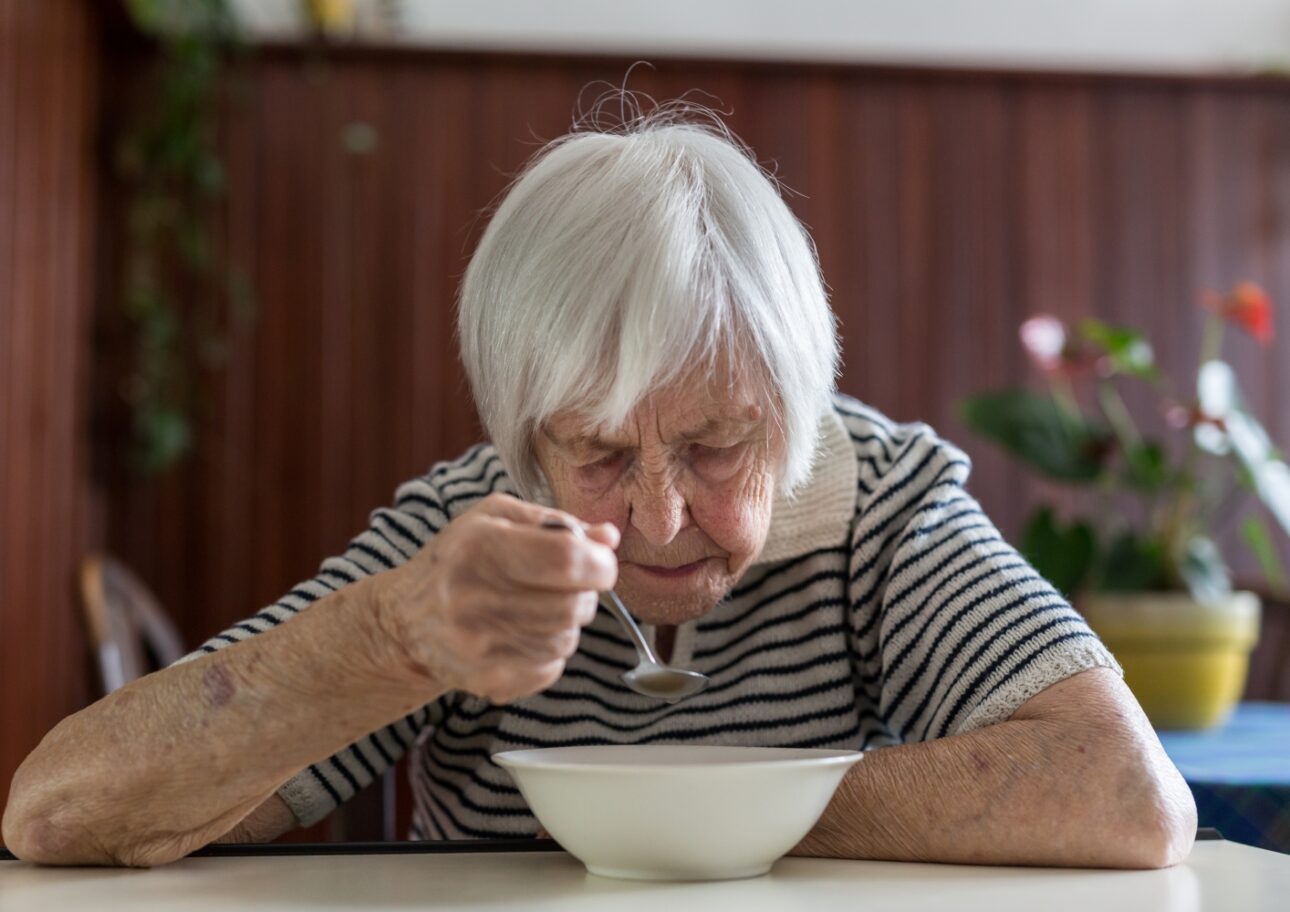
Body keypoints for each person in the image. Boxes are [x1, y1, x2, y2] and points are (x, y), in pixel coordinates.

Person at [2, 101, 1196, 868]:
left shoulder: (876, 497)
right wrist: (392, 637)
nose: (662, 521)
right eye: (603, 455)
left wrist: (669, 823)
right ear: (523, 437)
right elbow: (54, 815)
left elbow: (1126, 795)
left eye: (721, 445)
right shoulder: (465, 536)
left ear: (797, 408)